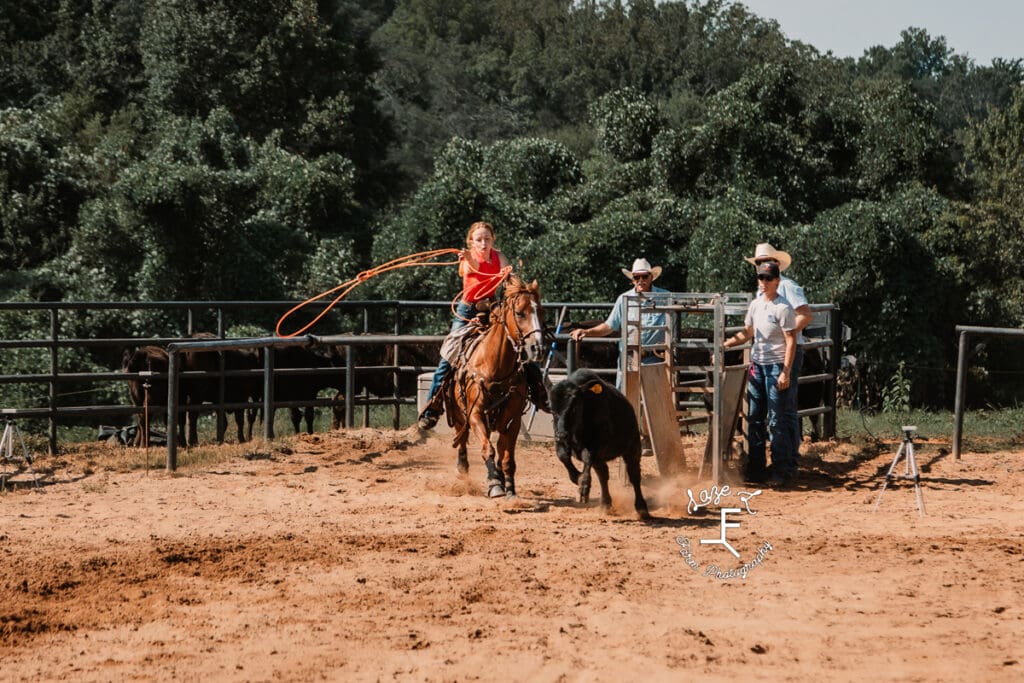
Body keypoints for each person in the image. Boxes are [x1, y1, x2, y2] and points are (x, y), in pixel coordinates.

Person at [418, 221, 549, 430]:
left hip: (492, 307)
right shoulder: (468, 259)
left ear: (493, 240)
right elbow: (474, 267)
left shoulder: (499, 256)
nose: (483, 243)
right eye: (478, 239)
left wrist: (515, 286)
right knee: (449, 354)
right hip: (468, 310)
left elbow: (509, 274)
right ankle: (432, 406)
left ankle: (540, 391)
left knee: (519, 342)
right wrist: (468, 256)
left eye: (487, 239)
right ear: (471, 242)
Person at [724, 261, 798, 487]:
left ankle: (780, 469)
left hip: (775, 365)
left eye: (768, 278)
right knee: (755, 417)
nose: (764, 282)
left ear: (777, 280)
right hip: (758, 364)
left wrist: (785, 371)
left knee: (776, 420)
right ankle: (756, 469)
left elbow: (791, 339)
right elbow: (748, 332)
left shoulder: (783, 308)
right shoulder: (756, 305)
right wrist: (727, 343)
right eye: (761, 278)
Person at [744, 243, 813, 454]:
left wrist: (784, 335)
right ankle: (787, 456)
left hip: (784, 353)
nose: (761, 267)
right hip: (770, 354)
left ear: (775, 263)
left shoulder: (787, 287)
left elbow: (805, 314)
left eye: (765, 262)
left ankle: (788, 459)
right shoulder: (762, 291)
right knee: (779, 409)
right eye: (758, 263)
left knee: (783, 410)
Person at [568, 258, 670, 389]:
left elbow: (683, 308)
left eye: (644, 276)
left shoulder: (665, 297)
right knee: (626, 399)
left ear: (651, 277)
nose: (640, 280)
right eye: (636, 277)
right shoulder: (623, 299)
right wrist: (587, 332)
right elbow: (609, 326)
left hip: (655, 359)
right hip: (629, 358)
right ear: (632, 279)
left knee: (655, 401)